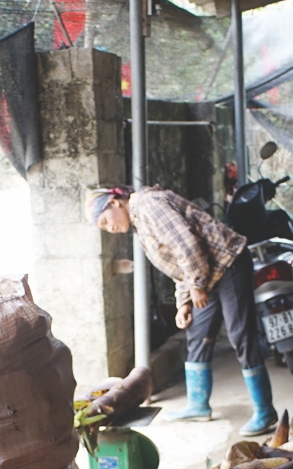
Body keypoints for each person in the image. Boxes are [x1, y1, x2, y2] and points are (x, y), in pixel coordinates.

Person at [93, 185, 279, 436]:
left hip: (228, 264)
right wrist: (184, 302)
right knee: (197, 332)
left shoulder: (148, 206)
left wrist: (197, 286)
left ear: (115, 203)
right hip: (206, 273)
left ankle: (265, 411)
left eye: (105, 221)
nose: (110, 229)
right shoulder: (139, 223)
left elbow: (188, 246)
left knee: (240, 335)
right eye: (104, 228)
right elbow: (177, 263)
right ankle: (198, 405)